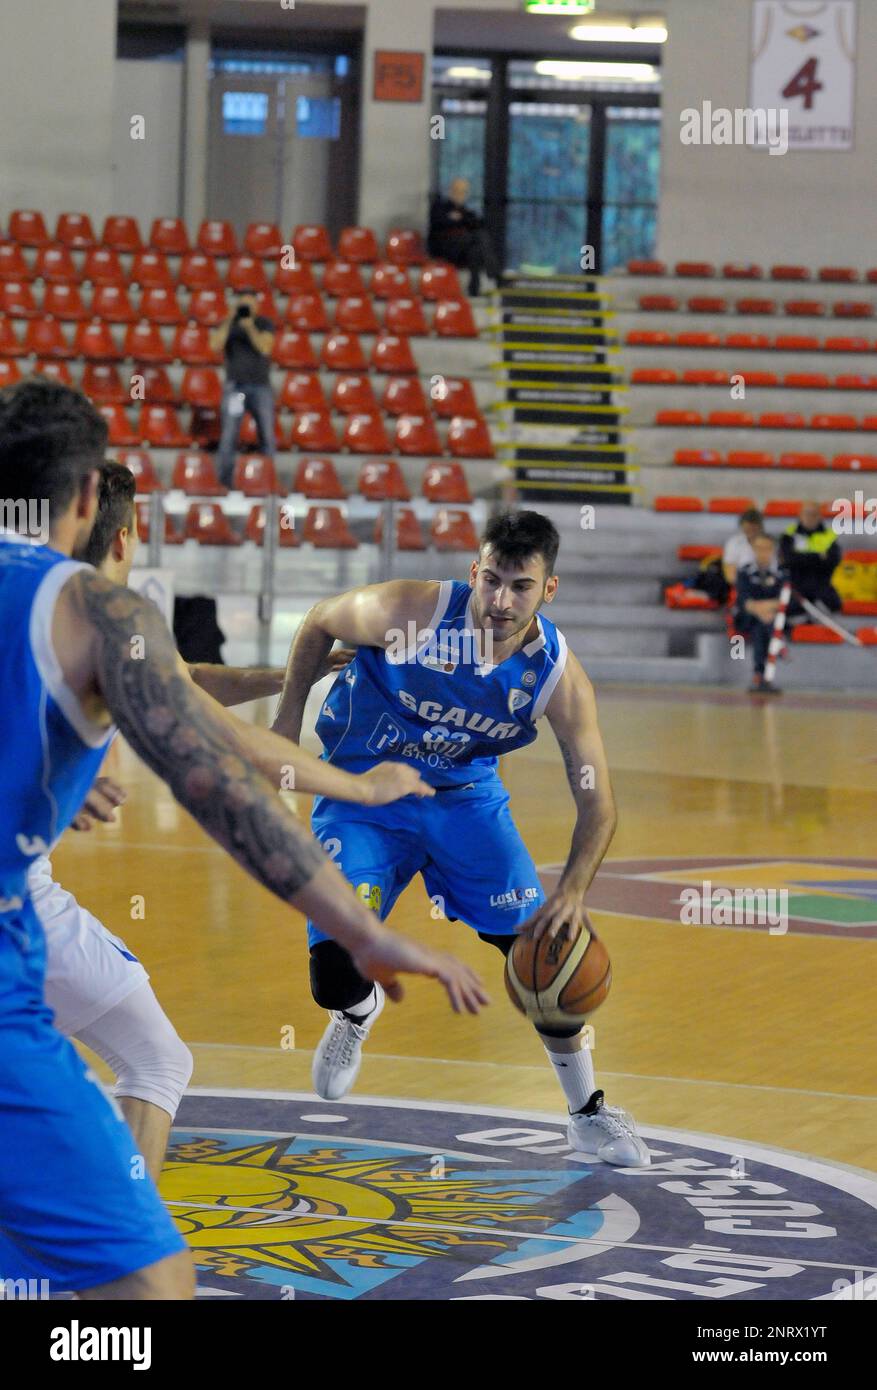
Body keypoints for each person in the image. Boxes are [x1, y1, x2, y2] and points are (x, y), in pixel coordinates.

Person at [0, 379, 487, 1300]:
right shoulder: (96, 614)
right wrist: (360, 925)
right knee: (146, 1291)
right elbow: (217, 778)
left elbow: (181, 699)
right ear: (82, 502)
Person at [30, 459, 433, 1185]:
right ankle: (128, 1252)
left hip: (24, 882)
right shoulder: (104, 618)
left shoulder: (24, 590)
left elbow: (181, 679)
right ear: (124, 535)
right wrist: (362, 788)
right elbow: (227, 743)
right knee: (152, 1060)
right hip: (17, 897)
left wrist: (289, 676)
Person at [273, 509, 650, 1167]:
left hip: (465, 805)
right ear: (474, 572)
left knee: (546, 961)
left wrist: (573, 892)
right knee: (333, 975)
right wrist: (283, 720)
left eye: (520, 586)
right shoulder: (408, 610)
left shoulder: (557, 678)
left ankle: (588, 1116)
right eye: (493, 580)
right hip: (363, 794)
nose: (501, 601)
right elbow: (318, 622)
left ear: (547, 590)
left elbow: (598, 802)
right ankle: (355, 1013)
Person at [210, 290, 277, 489]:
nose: (246, 310)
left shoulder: (263, 323)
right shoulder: (229, 325)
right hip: (235, 388)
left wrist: (249, 328)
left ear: (257, 306)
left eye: (250, 305)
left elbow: (265, 347)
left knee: (267, 435)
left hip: (260, 387)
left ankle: (268, 481)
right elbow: (215, 345)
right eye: (243, 306)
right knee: (229, 435)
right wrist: (230, 319)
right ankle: (224, 483)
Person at [427, 177, 501, 297]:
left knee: (475, 250)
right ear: (451, 191)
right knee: (476, 237)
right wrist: (459, 220)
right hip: (443, 249)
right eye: (457, 191)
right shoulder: (439, 207)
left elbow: (478, 223)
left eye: (463, 192)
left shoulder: (464, 211)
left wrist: (459, 219)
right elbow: (440, 223)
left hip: (461, 251)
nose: (460, 195)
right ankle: (494, 274)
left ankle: (474, 287)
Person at [735, 532, 787, 694]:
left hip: (775, 616)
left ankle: (761, 674)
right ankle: (766, 671)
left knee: (766, 627)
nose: (762, 552)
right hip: (751, 617)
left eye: (767, 548)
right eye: (758, 548)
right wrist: (761, 610)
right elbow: (744, 600)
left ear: (773, 550)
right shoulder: (745, 571)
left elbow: (786, 598)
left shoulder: (781, 572)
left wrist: (769, 607)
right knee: (760, 627)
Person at [779, 498, 842, 613]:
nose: (810, 517)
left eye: (814, 514)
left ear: (820, 516)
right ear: (800, 515)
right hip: (795, 586)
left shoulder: (829, 535)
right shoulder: (789, 534)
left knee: (836, 604)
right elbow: (787, 560)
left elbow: (834, 560)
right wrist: (819, 557)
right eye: (807, 513)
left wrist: (800, 558)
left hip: (821, 584)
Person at [722, 507, 764, 586]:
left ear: (760, 527)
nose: (751, 531)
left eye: (754, 528)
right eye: (748, 528)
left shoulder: (768, 543)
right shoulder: (734, 543)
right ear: (742, 526)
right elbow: (730, 576)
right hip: (742, 585)